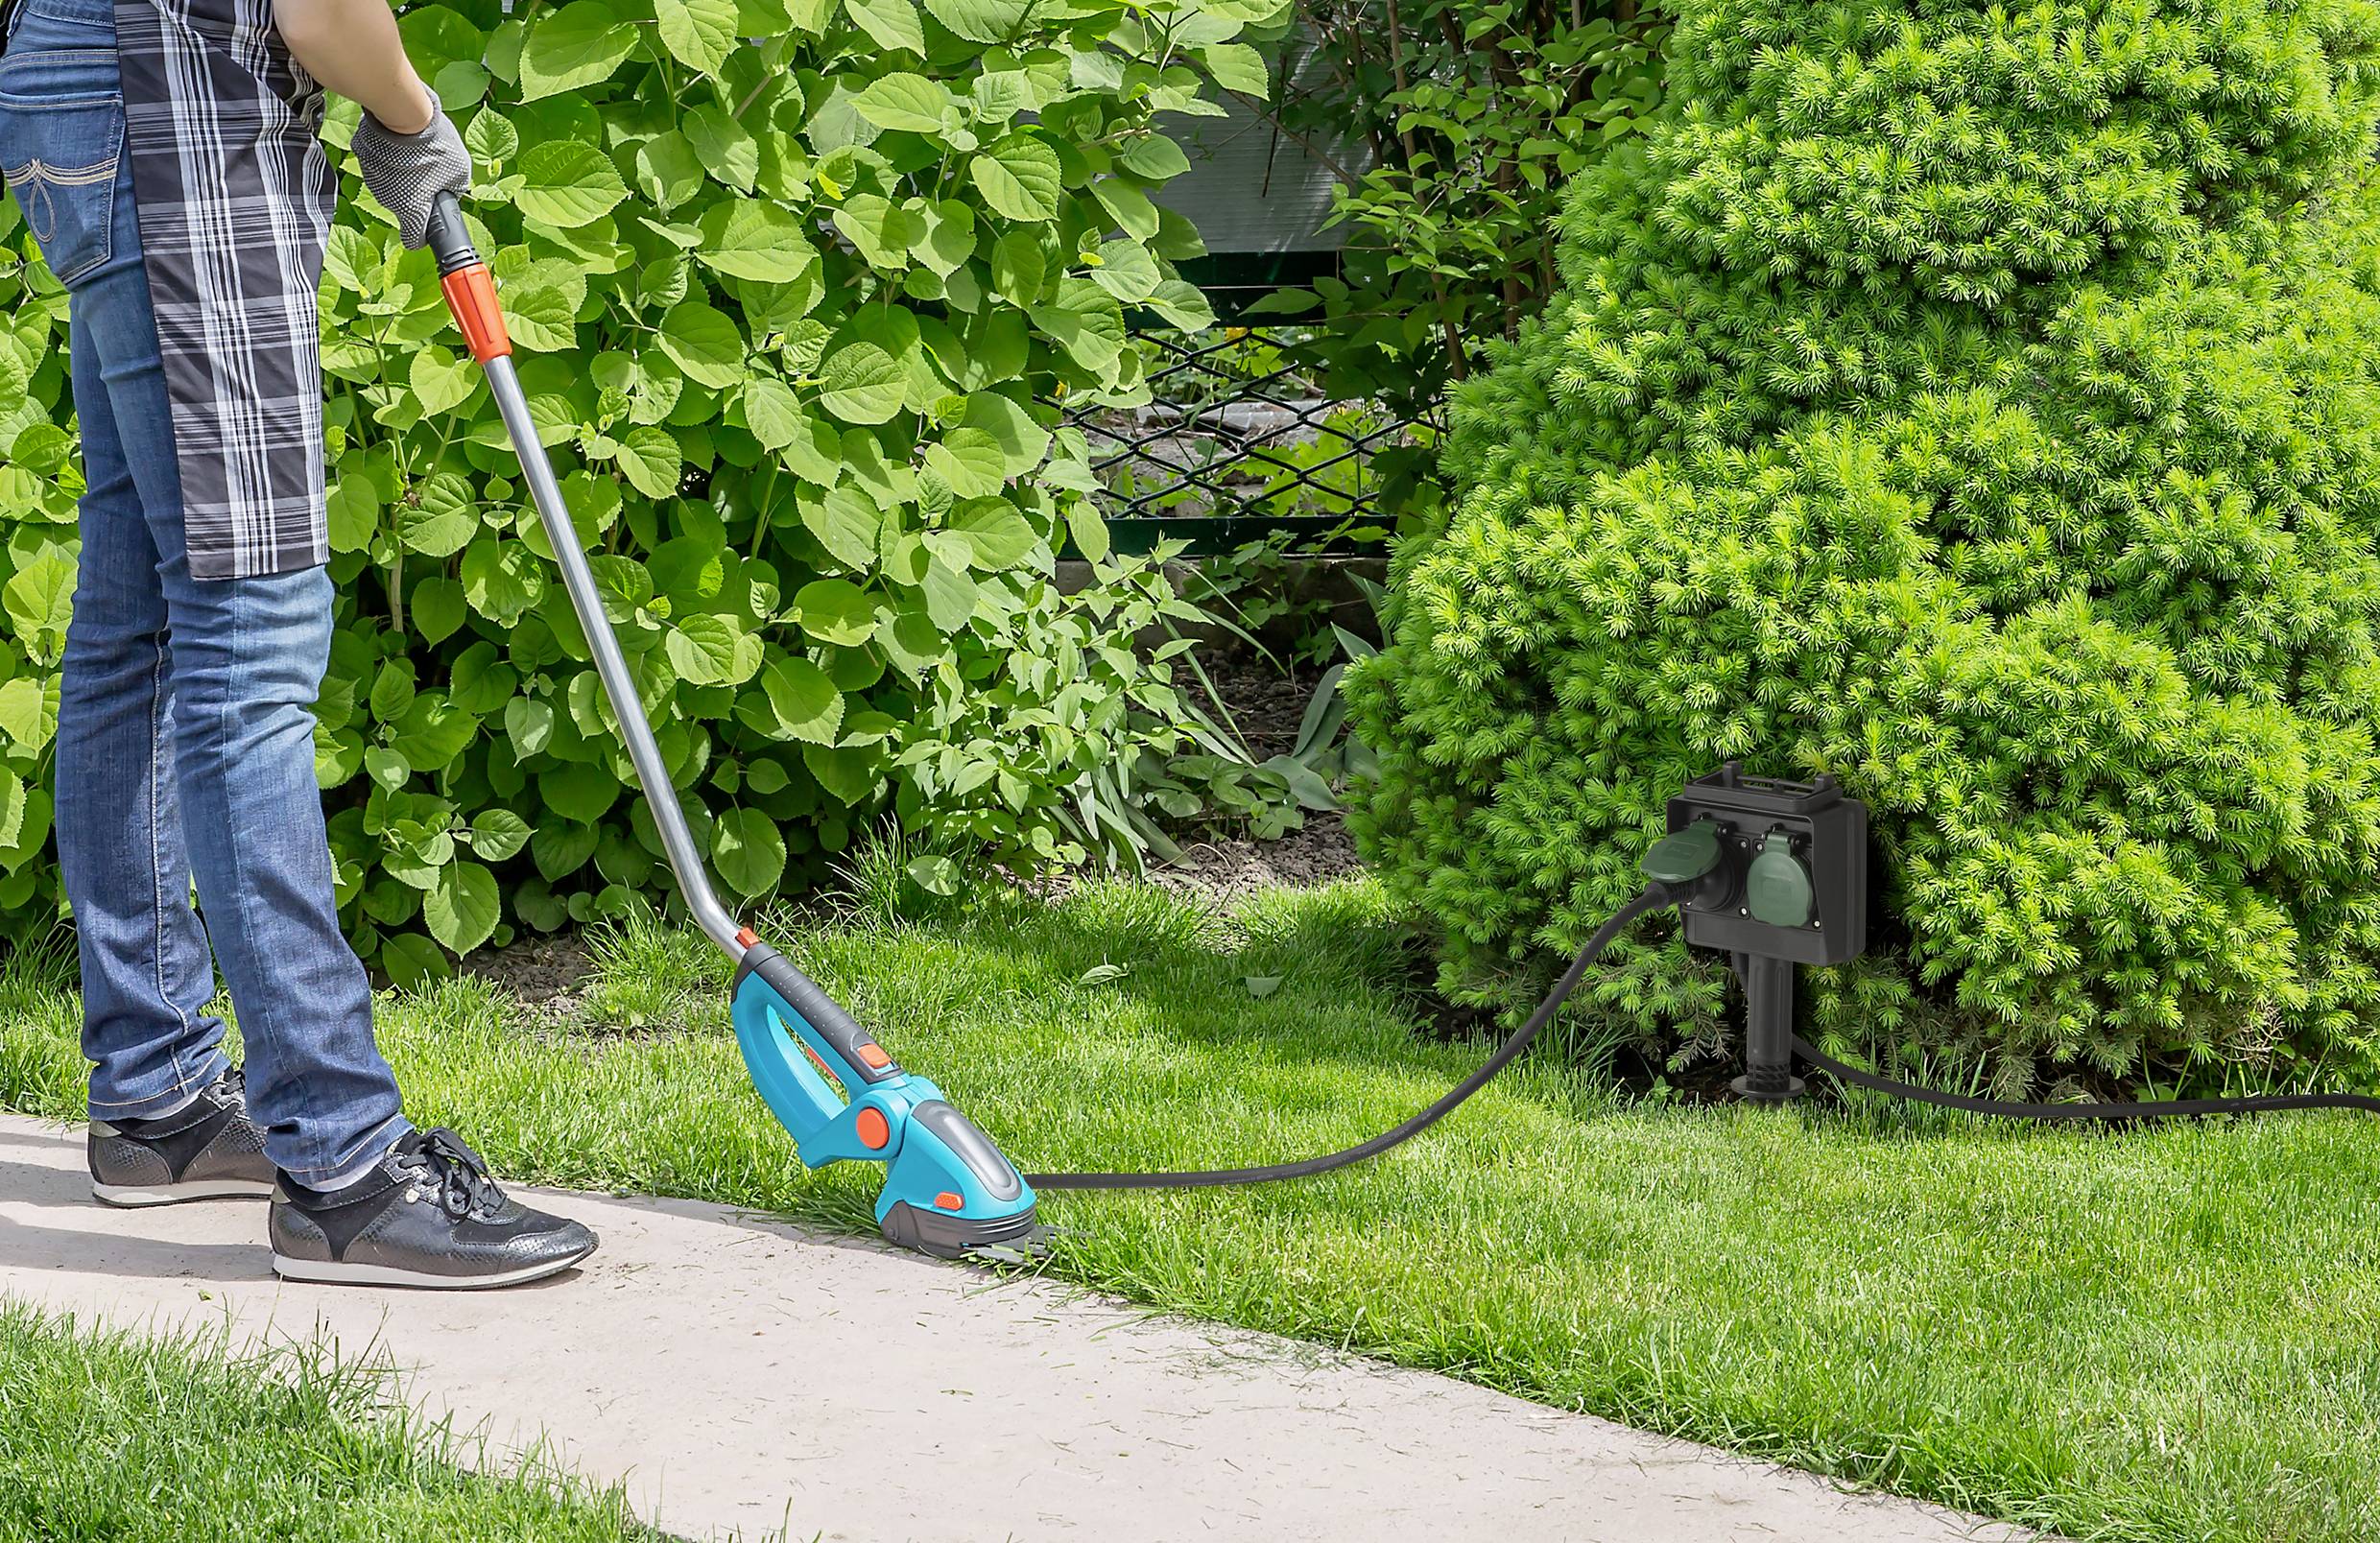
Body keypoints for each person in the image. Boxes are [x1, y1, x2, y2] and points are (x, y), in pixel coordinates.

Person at [0, 0, 596, 1288]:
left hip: (81, 84)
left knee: (144, 625)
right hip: (179, 125)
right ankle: (342, 1169)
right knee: (249, 633)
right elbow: (319, 7)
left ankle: (155, 1099)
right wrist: (410, 117)